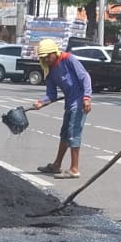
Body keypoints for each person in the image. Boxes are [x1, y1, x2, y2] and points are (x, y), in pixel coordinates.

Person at [27, 38, 92, 178]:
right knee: (64, 134)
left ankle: (74, 169)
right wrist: (41, 102)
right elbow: (51, 94)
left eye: (47, 57)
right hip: (69, 103)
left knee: (73, 134)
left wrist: (87, 97)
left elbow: (85, 77)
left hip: (79, 102)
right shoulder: (49, 70)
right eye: (43, 58)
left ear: (54, 52)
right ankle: (56, 165)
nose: (46, 60)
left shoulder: (68, 59)